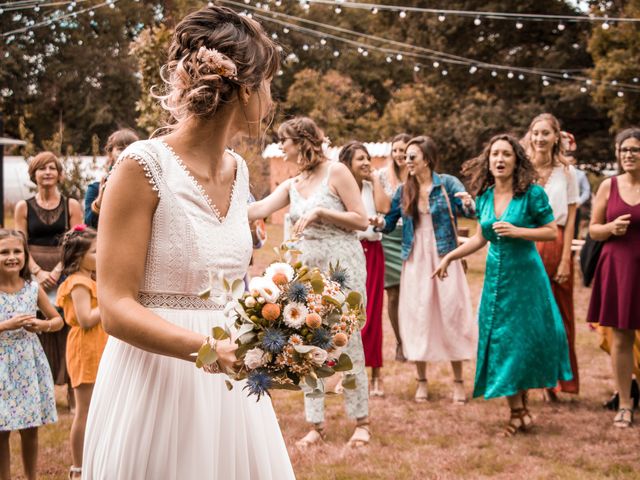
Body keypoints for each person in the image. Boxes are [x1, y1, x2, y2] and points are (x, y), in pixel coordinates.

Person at [82, 6, 295, 478]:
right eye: (268, 84)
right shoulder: (142, 167)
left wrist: (276, 323)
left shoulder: (240, 172)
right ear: (243, 88)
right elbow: (115, 306)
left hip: (230, 387)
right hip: (154, 384)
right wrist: (206, 349)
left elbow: (225, 281)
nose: (272, 98)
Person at [433, 134, 572, 436]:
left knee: (523, 342)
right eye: (495, 154)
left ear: (516, 160)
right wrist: (450, 257)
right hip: (496, 280)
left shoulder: (532, 195)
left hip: (527, 278)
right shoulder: (484, 197)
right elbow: (481, 237)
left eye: (506, 154)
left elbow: (550, 232)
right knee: (500, 340)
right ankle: (517, 411)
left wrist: (518, 231)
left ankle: (520, 410)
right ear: (488, 160)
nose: (499, 159)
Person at [249, 117, 371, 448]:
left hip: (342, 267)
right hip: (308, 274)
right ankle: (316, 424)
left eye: (284, 141)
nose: (280, 147)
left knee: (348, 339)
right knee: (306, 341)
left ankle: (361, 421)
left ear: (302, 141)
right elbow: (257, 208)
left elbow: (360, 219)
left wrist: (321, 213)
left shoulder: (337, 172)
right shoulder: (293, 183)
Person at [371, 136, 476, 404]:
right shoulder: (404, 190)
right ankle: (421, 381)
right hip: (416, 257)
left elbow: (470, 212)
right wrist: (378, 222)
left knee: (452, 312)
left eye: (412, 157)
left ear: (426, 159)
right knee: (418, 314)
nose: (407, 161)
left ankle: (458, 382)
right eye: (405, 157)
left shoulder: (448, 184)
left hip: (445, 256)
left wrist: (468, 204)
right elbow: (390, 221)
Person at [14, 151, 83, 403]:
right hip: (34, 274)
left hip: (64, 272)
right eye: (42, 169)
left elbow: (77, 242)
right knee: (37, 328)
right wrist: (36, 271)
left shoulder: (71, 205)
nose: (47, 173)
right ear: (34, 174)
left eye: (52, 168)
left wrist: (57, 270)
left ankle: (73, 392)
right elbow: (20, 243)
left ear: (59, 174)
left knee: (67, 327)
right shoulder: (24, 207)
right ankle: (39, 391)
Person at [0, 229, 63, 480]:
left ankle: (31, 477)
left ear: (25, 256)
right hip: (2, 365)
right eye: (4, 252)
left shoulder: (31, 289)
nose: (11, 257)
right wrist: (6, 325)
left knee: (29, 428)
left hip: (28, 364)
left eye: (17, 251)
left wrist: (42, 325)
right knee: (2, 430)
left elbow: (58, 320)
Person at [587, 127, 640, 428]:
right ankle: (624, 403)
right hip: (618, 267)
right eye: (624, 150)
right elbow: (593, 229)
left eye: (634, 150)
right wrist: (609, 229)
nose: (628, 155)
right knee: (621, 338)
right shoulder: (609, 186)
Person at [526, 113, 580, 399]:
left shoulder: (567, 172)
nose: (540, 138)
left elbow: (571, 218)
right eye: (536, 133)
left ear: (556, 137)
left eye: (545, 133)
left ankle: (560, 380)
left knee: (560, 316)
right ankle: (535, 379)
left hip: (557, 242)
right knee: (533, 315)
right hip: (527, 243)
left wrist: (565, 258)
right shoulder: (522, 169)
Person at [339, 141, 390, 397]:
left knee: (373, 314)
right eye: (360, 159)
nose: (366, 162)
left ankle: (377, 375)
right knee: (349, 315)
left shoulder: (372, 186)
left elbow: (385, 208)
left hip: (373, 254)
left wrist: (376, 179)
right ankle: (349, 372)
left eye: (368, 158)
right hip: (348, 253)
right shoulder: (339, 189)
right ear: (347, 164)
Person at [55, 226, 106, 479]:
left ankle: (96, 458)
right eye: (95, 252)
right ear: (78, 257)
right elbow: (85, 319)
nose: (101, 255)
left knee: (99, 407)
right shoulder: (78, 283)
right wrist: (110, 303)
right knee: (84, 410)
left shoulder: (91, 279)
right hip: (85, 348)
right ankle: (78, 466)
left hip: (99, 346)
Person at [376, 133, 411, 361]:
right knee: (394, 294)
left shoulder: (417, 174)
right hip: (388, 237)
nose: (399, 154)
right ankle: (400, 342)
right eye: (396, 150)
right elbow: (383, 206)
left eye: (404, 150)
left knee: (413, 293)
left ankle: (414, 339)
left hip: (411, 236)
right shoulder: (381, 176)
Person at [84, 129, 140, 229]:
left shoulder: (144, 187)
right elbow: (89, 225)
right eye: (121, 149)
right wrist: (100, 200)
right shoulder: (95, 189)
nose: (127, 152)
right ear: (110, 153)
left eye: (132, 148)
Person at [561, 131, 591, 238]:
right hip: (561, 207)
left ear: (574, 161)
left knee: (573, 231)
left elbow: (587, 190)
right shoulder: (560, 173)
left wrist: (579, 201)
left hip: (574, 207)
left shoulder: (580, 175)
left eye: (571, 161)